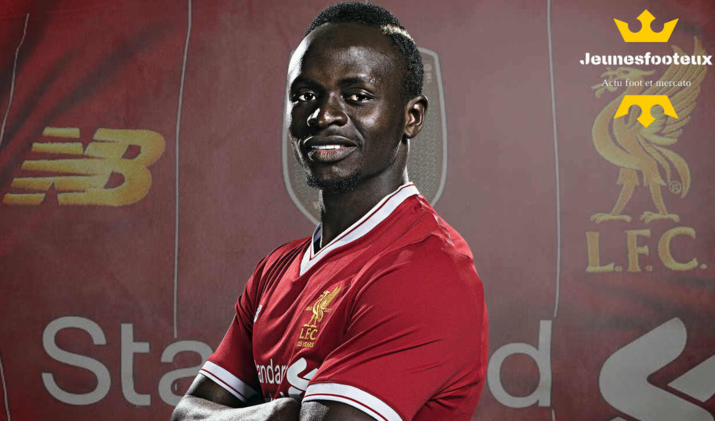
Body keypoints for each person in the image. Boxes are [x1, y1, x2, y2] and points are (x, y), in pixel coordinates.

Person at [171, 3, 487, 420]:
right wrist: (277, 415)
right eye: (305, 96)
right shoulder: (275, 271)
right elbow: (185, 414)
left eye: (357, 97)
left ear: (411, 117)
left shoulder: (427, 271)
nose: (324, 116)